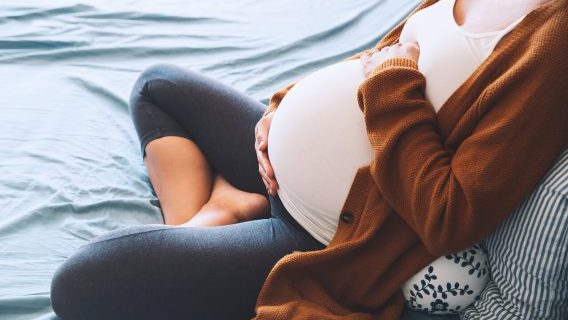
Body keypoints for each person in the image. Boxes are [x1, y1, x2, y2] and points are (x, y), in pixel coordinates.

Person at [50, 0, 567, 319]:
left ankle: (211, 217)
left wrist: (389, 84)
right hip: (278, 173)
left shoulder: (555, 42)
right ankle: (220, 213)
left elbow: (450, 214)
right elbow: (382, 55)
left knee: (81, 284)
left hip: (330, 234)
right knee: (157, 86)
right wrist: (280, 109)